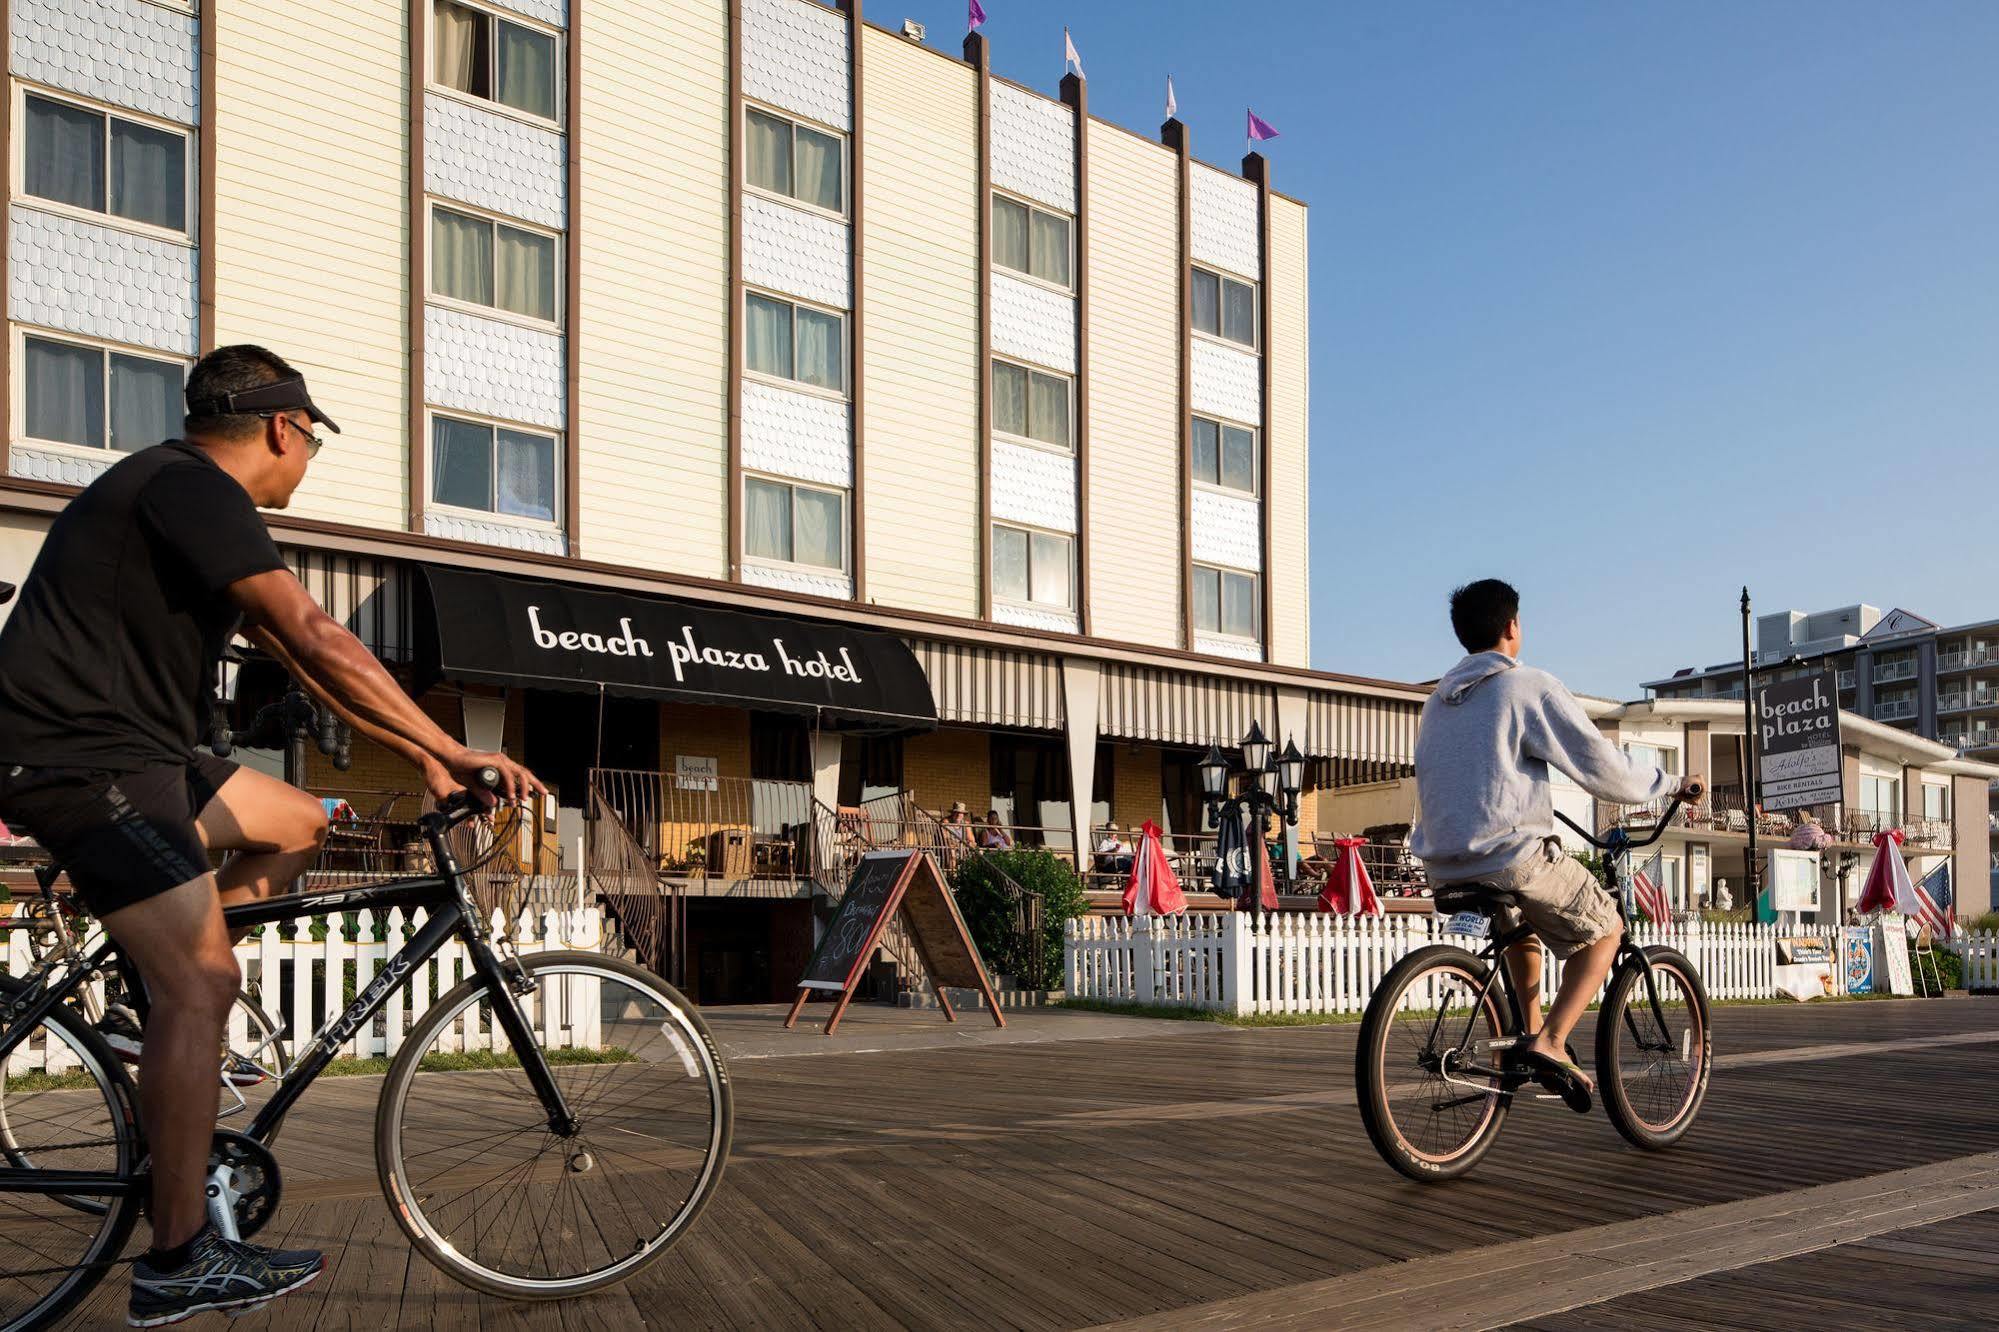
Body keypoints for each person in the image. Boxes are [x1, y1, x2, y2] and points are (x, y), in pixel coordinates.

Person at [0, 346, 543, 1327]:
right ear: (286, 427)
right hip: (84, 757)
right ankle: (180, 1258)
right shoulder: (194, 490)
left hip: (139, 752)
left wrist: (418, 754)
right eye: (313, 442)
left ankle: (147, 1001)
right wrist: (455, 751)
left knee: (300, 821)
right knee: (204, 981)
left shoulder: (172, 497)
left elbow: (303, 665)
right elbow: (315, 633)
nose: (308, 461)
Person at [1410, 580, 1702, 1113]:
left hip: (1442, 861)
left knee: (1518, 926)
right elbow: (1602, 768)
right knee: (1606, 929)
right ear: (1512, 626)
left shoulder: (1437, 703)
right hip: (1509, 853)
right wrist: (1670, 782)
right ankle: (1550, 1040)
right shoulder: (1525, 687)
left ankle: (1528, 1032)